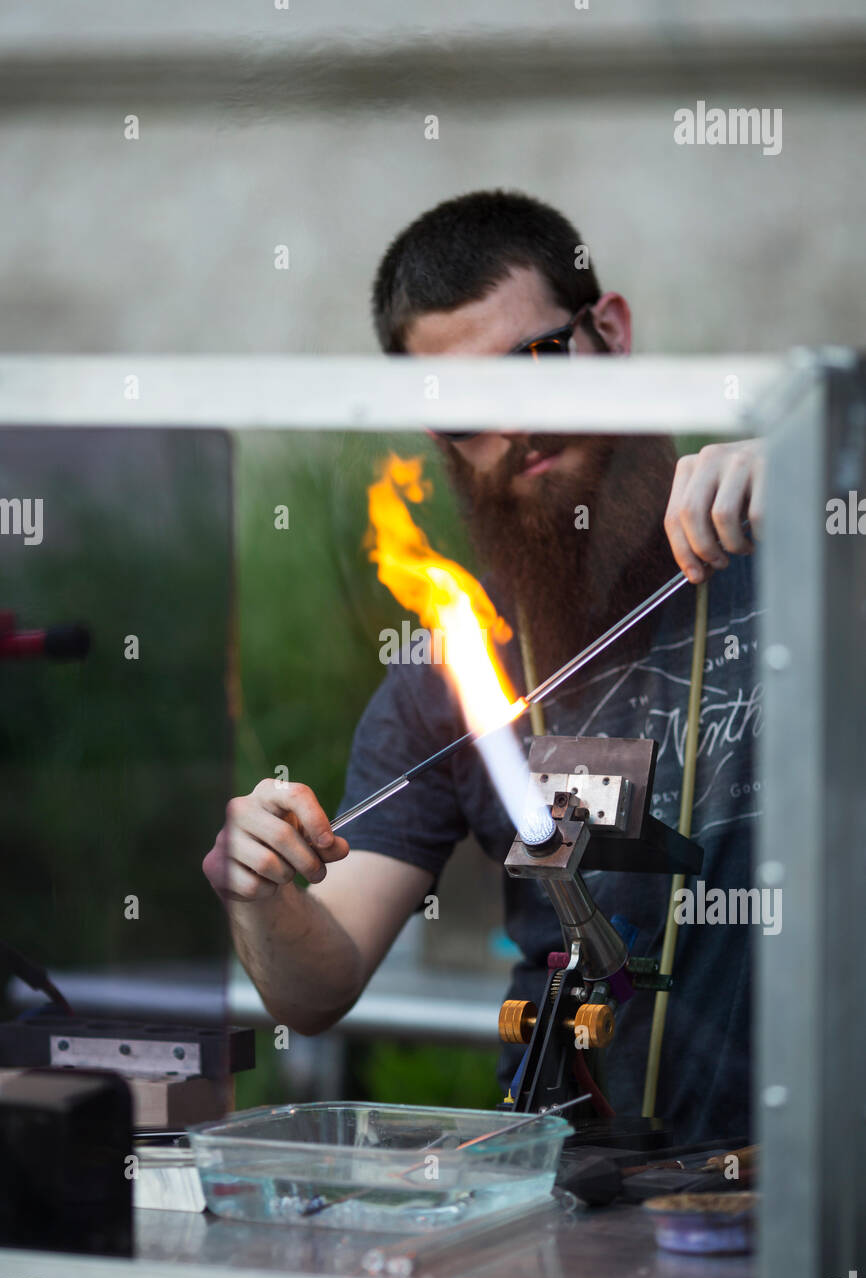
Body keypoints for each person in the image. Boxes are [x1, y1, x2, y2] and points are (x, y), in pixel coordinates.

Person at [203, 190, 765, 1141]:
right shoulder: (448, 668)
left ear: (610, 333)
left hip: (813, 1189)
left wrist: (830, 473)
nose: (517, 423)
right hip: (579, 1195)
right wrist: (261, 893)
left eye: (536, 362)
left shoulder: (787, 544)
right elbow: (320, 982)